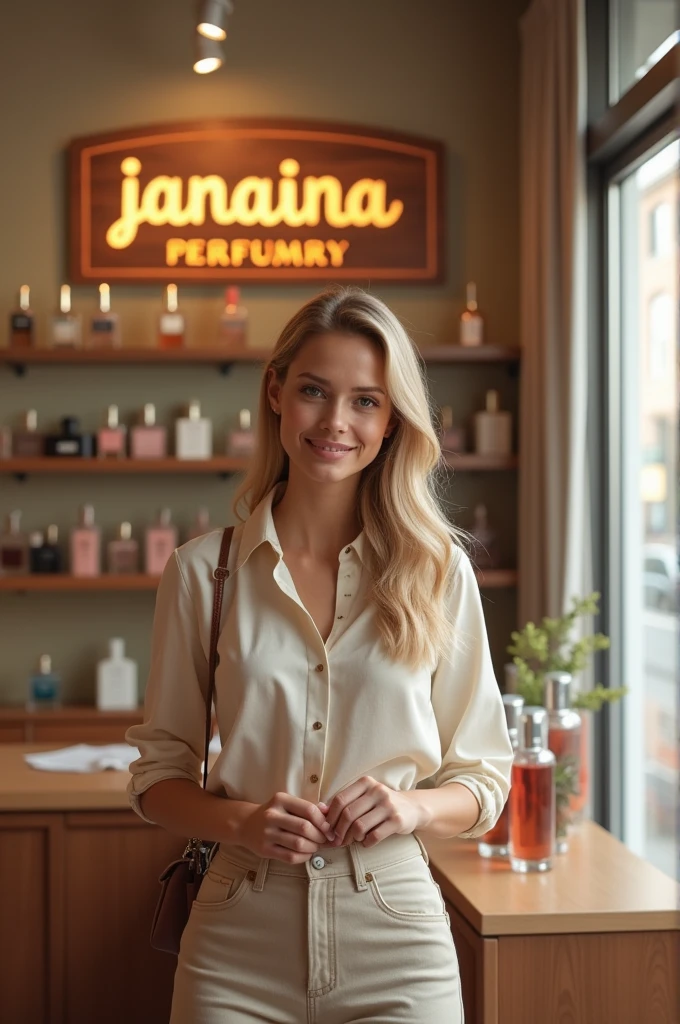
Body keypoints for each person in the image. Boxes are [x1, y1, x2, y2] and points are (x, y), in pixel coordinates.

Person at [125, 286, 513, 1024]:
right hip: (236, 937)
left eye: (366, 401)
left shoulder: (438, 572)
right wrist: (240, 822)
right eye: (314, 391)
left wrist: (410, 805)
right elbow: (158, 778)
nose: (337, 422)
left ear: (393, 418)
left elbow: (483, 779)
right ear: (277, 393)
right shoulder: (202, 573)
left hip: (396, 937)